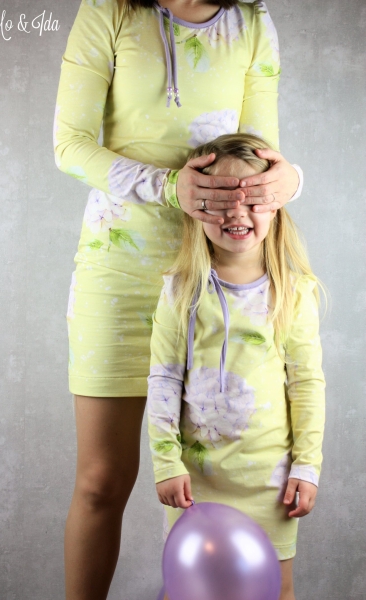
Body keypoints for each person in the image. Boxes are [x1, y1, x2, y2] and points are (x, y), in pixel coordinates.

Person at [53, 1, 303, 598]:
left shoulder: (252, 22)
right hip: (117, 277)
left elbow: (259, 152)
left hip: (218, 283)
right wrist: (170, 186)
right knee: (101, 482)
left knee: (219, 487)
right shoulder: (109, 9)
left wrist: (290, 179)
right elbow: (70, 144)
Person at [147, 134, 325, 600]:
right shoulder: (180, 291)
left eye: (251, 198)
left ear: (276, 201)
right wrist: (165, 463)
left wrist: (307, 466)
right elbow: (164, 379)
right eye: (220, 199)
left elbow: (306, 384)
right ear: (196, 206)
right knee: (188, 589)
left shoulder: (293, 292)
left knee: (277, 589)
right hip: (196, 485)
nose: (236, 212)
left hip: (271, 483)